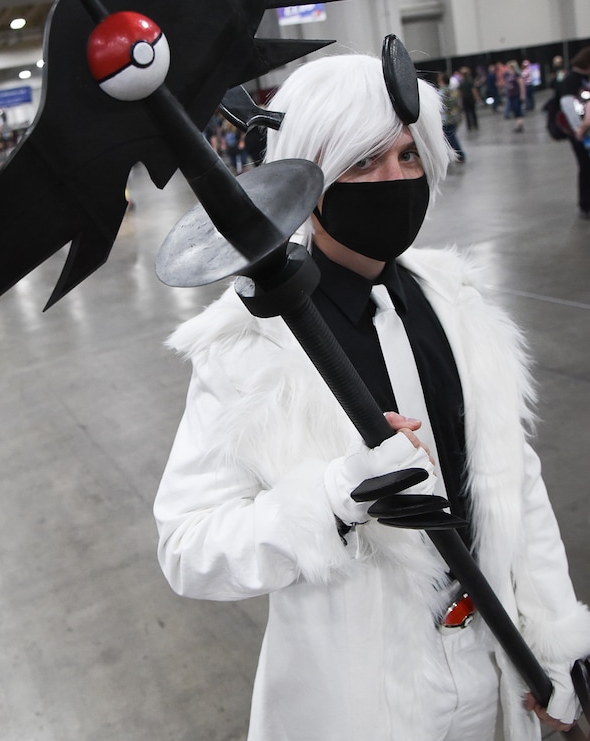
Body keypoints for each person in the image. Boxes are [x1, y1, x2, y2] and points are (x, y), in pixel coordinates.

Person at [154, 52, 590, 741]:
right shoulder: (249, 345)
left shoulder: (457, 302)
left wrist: (557, 636)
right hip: (363, 700)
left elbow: (515, 482)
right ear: (310, 179)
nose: (394, 179)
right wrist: (328, 501)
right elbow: (187, 544)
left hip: (495, 665)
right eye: (362, 162)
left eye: (408, 155)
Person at [555, 46, 590, 220]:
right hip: (579, 133)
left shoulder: (581, 79)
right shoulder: (571, 80)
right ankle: (585, 203)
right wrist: (580, 128)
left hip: (583, 130)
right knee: (585, 166)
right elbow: (568, 106)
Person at [437, 70, 465, 162]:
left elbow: (439, 105)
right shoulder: (452, 90)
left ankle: (459, 155)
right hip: (453, 117)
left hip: (446, 119)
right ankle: (457, 155)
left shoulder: (442, 92)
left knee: (450, 137)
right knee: (450, 137)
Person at [504, 60, 526, 131]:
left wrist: (522, 95)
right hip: (511, 95)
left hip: (516, 94)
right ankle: (518, 124)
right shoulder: (508, 75)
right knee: (514, 110)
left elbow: (521, 85)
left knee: (517, 109)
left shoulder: (517, 75)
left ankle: (520, 125)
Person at [457, 66, 479, 130]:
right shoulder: (470, 81)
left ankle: (469, 126)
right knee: (473, 112)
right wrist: (476, 97)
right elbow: (474, 90)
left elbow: (460, 92)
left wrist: (459, 99)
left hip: (465, 99)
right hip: (471, 98)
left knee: (467, 113)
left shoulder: (461, 82)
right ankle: (475, 124)